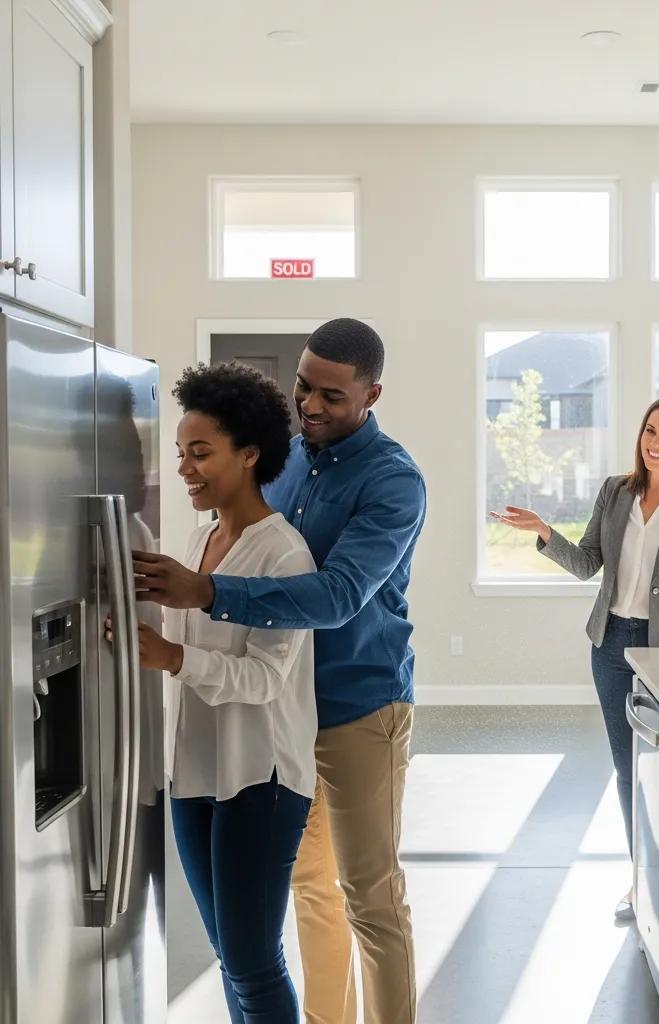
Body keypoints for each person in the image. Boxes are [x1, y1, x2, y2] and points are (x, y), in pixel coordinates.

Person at [133, 319, 425, 1024]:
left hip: (358, 706)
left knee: (369, 897)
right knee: (310, 891)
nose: (312, 405)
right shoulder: (288, 458)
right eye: (303, 386)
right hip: (281, 717)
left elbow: (334, 596)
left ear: (371, 393)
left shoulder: (393, 481)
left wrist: (204, 594)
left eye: (332, 395)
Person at [491, 394, 659, 920]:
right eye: (650, 431)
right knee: (627, 768)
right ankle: (642, 880)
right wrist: (545, 532)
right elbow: (588, 562)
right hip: (612, 646)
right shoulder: (616, 492)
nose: (655, 444)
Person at [110, 362, 317, 1022]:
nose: (185, 468)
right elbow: (184, 637)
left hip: (263, 777)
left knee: (254, 964)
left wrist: (171, 656)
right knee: (231, 957)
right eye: (181, 454)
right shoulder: (200, 540)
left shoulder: (283, 554)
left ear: (250, 454)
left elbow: (263, 678)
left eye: (201, 453)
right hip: (195, 771)